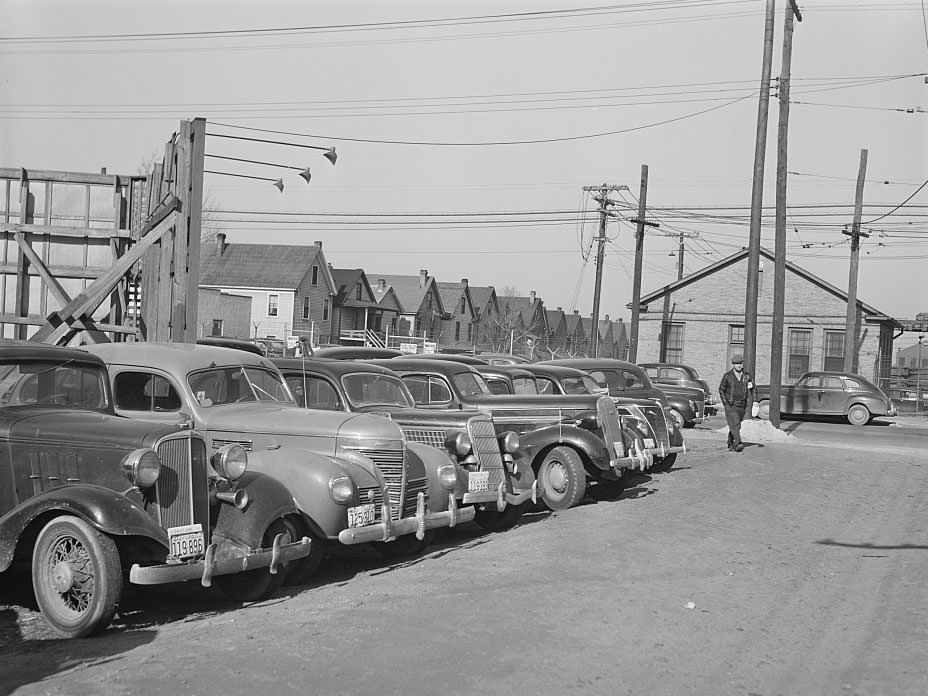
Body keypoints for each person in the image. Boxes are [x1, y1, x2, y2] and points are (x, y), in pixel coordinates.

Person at [719, 354, 754, 452]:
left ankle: (730, 442)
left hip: (742, 405)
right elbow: (721, 389)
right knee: (735, 423)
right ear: (733, 365)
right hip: (731, 405)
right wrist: (725, 403)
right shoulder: (727, 376)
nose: (739, 365)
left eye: (740, 363)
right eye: (736, 363)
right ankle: (738, 443)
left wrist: (754, 402)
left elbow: (753, 389)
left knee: (736, 425)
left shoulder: (747, 376)